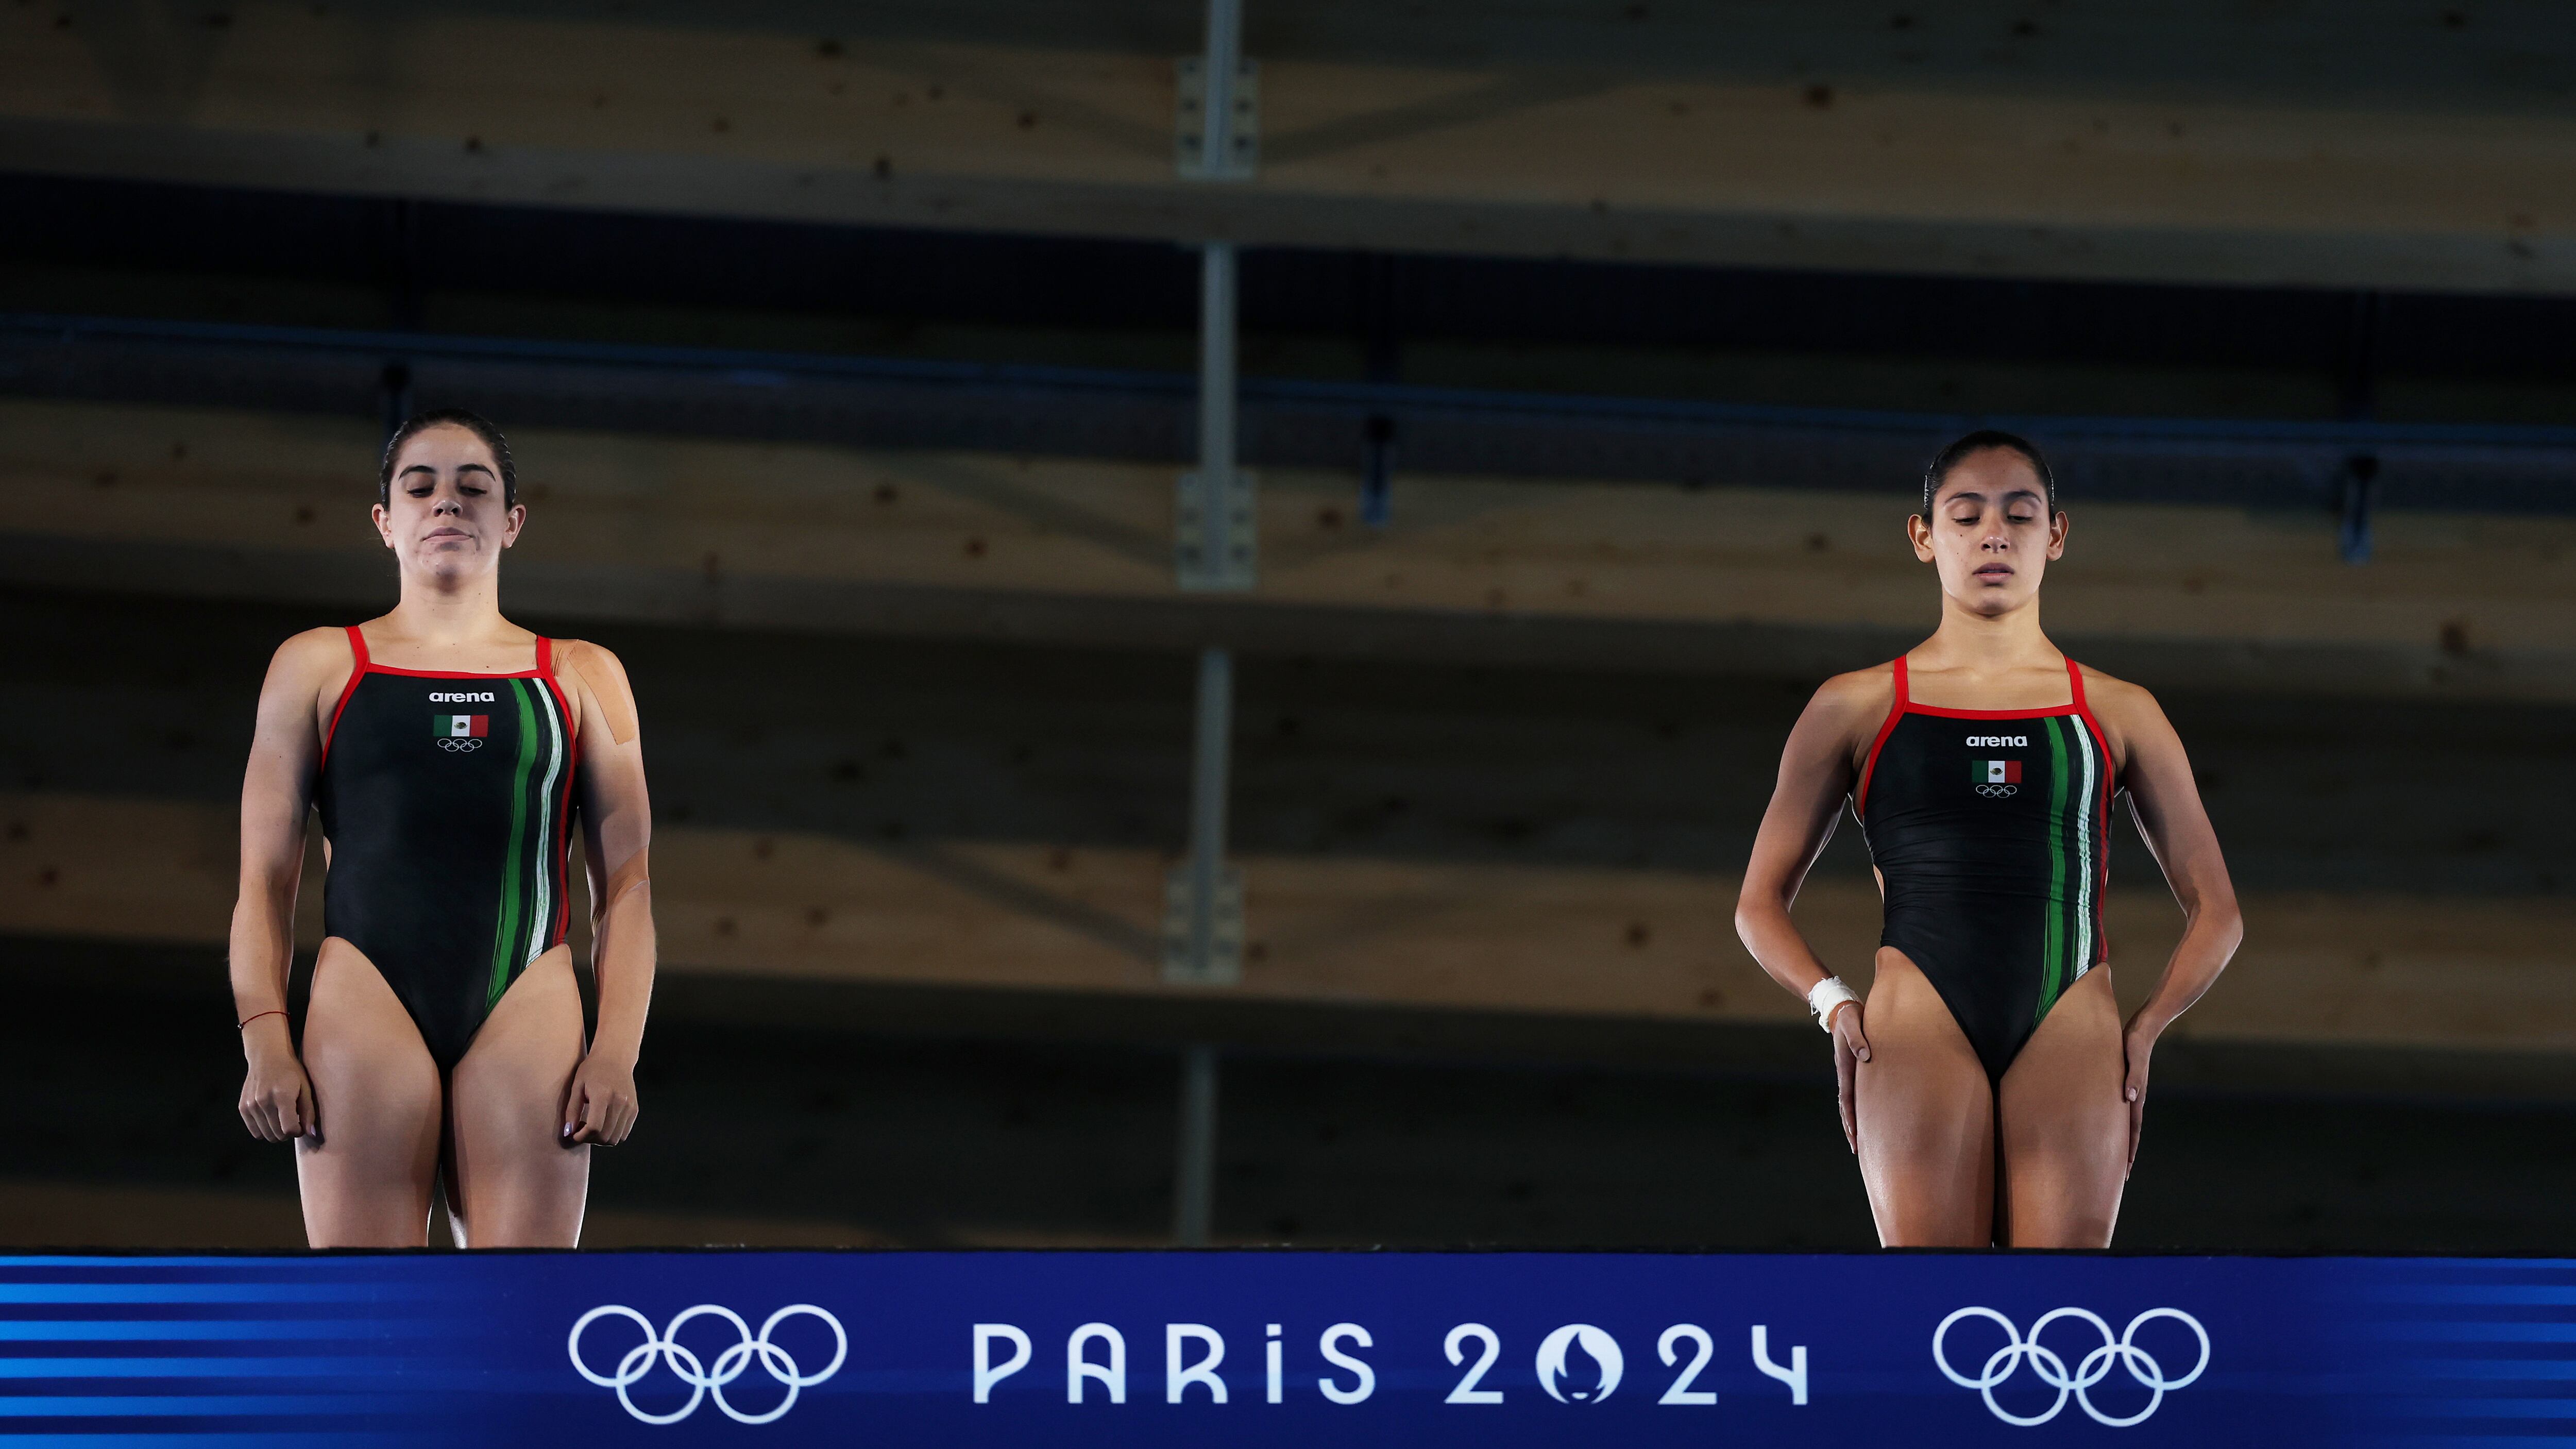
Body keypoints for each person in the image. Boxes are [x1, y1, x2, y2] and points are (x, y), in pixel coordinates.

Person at [1735, 430, 2241, 1248]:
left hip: (2072, 1016)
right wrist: (1831, 1004)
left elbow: (2218, 909)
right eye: (1967, 516)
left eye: (2020, 515)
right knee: (1937, 1309)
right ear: (1924, 536)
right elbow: (1756, 904)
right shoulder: (1855, 706)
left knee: (2061, 1315)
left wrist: (2146, 1029)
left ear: (2057, 535)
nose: (1994, 535)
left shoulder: (2117, 711)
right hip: (1914, 1018)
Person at [228, 409, 655, 1246]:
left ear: (512, 521)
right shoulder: (318, 664)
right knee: (372, 1311)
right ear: (386, 523)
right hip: (366, 996)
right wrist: (265, 1040)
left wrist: (616, 1052)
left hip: (527, 1000)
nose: (446, 505)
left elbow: (629, 885)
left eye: (474, 488)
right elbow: (263, 880)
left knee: (518, 1314)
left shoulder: (579, 674)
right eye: (419, 488)